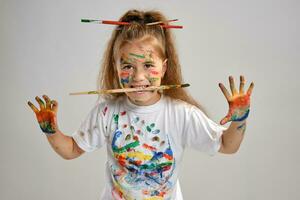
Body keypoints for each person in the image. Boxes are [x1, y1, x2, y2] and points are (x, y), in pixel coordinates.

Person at [28, 9, 254, 200]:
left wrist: (240, 119)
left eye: (148, 65)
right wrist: (52, 131)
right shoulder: (107, 112)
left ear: (164, 68)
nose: (138, 77)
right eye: (127, 66)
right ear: (115, 67)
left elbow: (227, 145)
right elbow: (71, 150)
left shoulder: (180, 113)